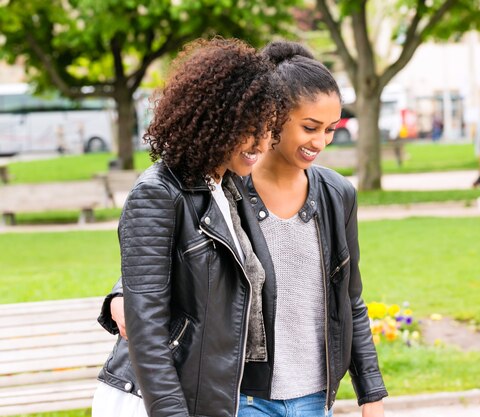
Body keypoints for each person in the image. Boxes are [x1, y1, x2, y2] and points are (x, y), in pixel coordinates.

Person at [99, 40, 388, 417]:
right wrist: (121, 296)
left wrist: (371, 393)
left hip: (312, 395)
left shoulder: (314, 193)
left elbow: (350, 298)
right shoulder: (225, 186)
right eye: (310, 127)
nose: (320, 141)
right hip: (240, 394)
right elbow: (162, 272)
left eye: (331, 129)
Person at [92, 37, 286, 417]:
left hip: (202, 398)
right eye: (248, 128)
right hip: (150, 401)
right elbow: (146, 334)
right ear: (212, 120)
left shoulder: (227, 188)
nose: (261, 143)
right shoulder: (158, 193)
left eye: (268, 129)